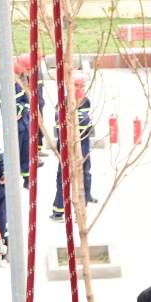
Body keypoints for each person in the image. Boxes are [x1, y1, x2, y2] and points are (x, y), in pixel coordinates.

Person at [51, 72, 97, 221]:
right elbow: (64, 126)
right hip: (66, 145)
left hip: (83, 143)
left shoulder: (86, 102)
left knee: (85, 173)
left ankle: (84, 203)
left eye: (82, 86)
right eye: (77, 86)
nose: (80, 89)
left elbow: (87, 123)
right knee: (63, 177)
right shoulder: (62, 104)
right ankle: (59, 210)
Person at [14, 54, 45, 187]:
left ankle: (27, 176)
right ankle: (22, 176)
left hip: (27, 119)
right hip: (19, 123)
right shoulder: (15, 85)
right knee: (20, 150)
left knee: (26, 148)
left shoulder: (28, 79)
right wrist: (23, 110)